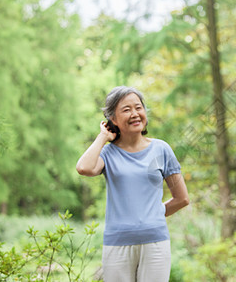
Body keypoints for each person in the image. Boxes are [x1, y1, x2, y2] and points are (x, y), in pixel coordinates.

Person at [76, 86, 189, 282]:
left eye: (138, 107)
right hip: (117, 244)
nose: (135, 114)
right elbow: (84, 168)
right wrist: (103, 137)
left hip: (155, 242)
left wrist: (152, 215)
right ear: (113, 119)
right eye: (126, 110)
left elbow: (182, 198)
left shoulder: (161, 149)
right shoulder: (107, 154)